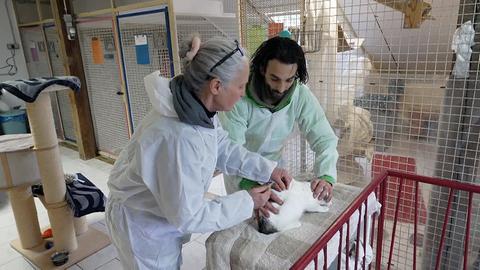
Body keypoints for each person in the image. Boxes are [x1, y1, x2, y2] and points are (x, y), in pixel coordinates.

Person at [105, 36, 292, 270]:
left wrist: (267, 168)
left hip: (160, 214)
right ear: (216, 86)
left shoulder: (197, 106)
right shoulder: (179, 137)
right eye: (240, 86)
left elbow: (222, 147)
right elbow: (189, 216)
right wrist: (248, 201)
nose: (243, 93)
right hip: (142, 226)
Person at [219, 36, 338, 215]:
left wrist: (326, 176)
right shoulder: (239, 98)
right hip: (241, 174)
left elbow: (324, 138)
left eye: (289, 80)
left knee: (277, 217)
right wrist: (249, 186)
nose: (282, 88)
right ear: (261, 69)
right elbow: (230, 150)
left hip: (275, 171)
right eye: (274, 79)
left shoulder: (299, 95)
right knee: (247, 220)